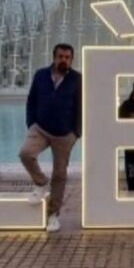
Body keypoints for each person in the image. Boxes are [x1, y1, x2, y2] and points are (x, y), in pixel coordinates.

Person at [19, 44, 82, 233]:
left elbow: (81, 106)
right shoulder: (41, 75)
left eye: (67, 57)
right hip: (41, 128)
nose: (64, 60)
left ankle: (53, 215)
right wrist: (31, 123)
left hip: (65, 134)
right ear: (54, 57)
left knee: (60, 175)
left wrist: (76, 133)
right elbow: (32, 100)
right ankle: (40, 182)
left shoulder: (77, 79)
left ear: (71, 59)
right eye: (60, 56)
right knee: (25, 153)